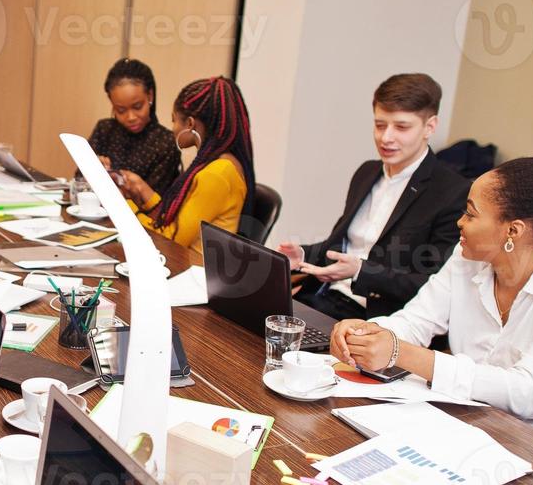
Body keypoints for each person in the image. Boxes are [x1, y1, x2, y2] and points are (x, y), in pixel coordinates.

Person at [329, 138, 533, 451]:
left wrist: (399, 351)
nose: (459, 223)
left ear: (513, 230)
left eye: (470, 213)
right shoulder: (466, 259)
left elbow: (525, 391)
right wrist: (366, 332)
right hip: (478, 418)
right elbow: (416, 321)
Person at [278, 73, 469, 321]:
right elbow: (340, 246)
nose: (385, 137)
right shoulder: (367, 172)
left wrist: (360, 272)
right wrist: (303, 254)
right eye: (380, 125)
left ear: (429, 127)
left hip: (374, 317)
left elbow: (433, 284)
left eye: (401, 127)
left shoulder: (452, 192)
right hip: (321, 297)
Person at [116, 76, 254, 251]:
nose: (172, 128)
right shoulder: (220, 162)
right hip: (185, 264)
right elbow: (180, 221)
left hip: (193, 271)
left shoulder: (217, 173)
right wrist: (142, 191)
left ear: (190, 124)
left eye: (174, 120)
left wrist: (122, 205)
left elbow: (170, 239)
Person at [88, 58, 181, 193]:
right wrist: (92, 169)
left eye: (137, 107)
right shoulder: (104, 130)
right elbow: (79, 181)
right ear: (111, 102)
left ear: (150, 95)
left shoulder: (166, 142)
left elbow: (156, 203)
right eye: (121, 110)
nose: (131, 117)